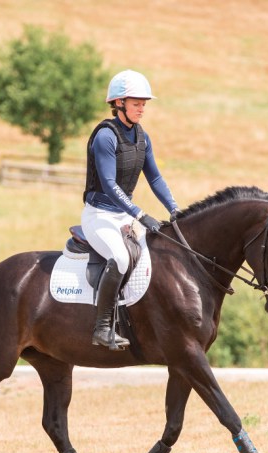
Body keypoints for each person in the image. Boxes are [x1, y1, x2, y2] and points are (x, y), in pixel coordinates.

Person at [82, 69, 181, 350]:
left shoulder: (142, 137)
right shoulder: (105, 137)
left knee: (157, 255)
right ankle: (102, 328)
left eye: (144, 104)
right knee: (122, 259)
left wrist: (175, 209)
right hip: (99, 215)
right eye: (137, 103)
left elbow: (156, 178)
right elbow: (110, 185)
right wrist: (140, 214)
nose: (142, 109)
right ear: (119, 103)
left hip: (123, 215)